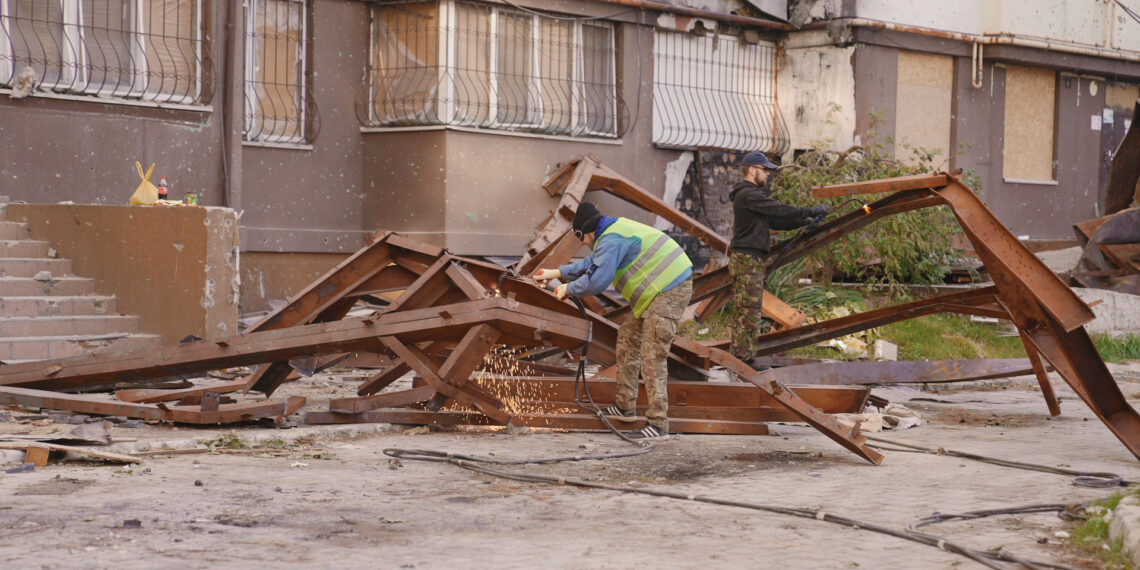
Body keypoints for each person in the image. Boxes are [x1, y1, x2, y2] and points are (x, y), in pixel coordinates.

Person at [533, 202, 693, 441]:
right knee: (628, 340)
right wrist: (557, 274)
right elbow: (592, 263)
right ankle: (625, 408)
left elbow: (598, 280)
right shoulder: (611, 233)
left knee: (652, 355)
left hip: (670, 289)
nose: (585, 244)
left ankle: (658, 424)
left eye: (582, 239)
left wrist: (568, 289)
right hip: (656, 293)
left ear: (586, 232)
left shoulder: (610, 238)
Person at [729, 151, 828, 371]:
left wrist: (805, 221)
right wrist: (809, 210)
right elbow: (778, 209)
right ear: (752, 169)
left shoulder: (751, 196)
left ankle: (741, 357)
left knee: (750, 308)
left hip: (751, 258)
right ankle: (742, 361)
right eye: (765, 170)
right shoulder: (747, 194)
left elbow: (775, 220)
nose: (768, 175)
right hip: (746, 258)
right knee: (749, 309)